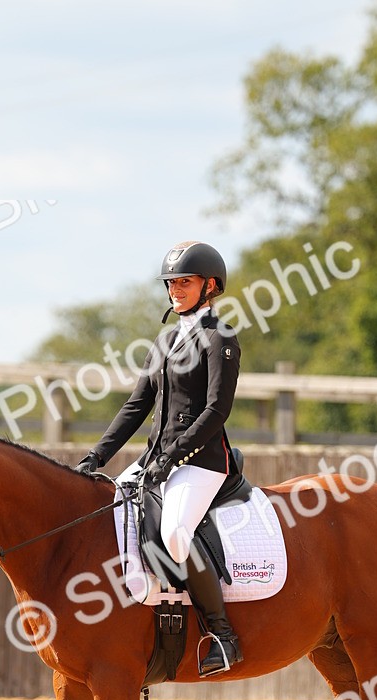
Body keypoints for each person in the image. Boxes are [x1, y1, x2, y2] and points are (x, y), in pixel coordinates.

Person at [76, 240, 243, 676]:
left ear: (210, 286)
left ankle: (222, 636)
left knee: (172, 534)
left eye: (184, 282)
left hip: (201, 462)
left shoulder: (220, 338)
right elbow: (136, 406)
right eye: (171, 283)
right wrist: (96, 458)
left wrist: (173, 456)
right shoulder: (167, 339)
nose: (175, 289)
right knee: (108, 515)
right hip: (157, 459)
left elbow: (216, 411)